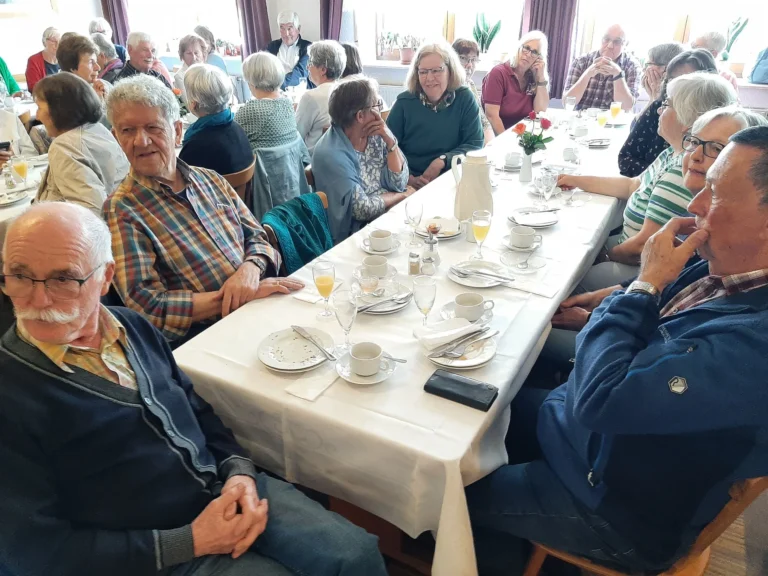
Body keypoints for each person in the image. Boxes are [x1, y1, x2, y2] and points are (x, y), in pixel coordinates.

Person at [0, 201, 390, 576]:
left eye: (63, 278)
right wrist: (190, 541)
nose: (38, 299)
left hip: (225, 490)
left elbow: (195, 409)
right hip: (154, 557)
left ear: (105, 278)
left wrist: (239, 474)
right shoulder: (12, 392)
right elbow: (35, 556)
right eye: (18, 275)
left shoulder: (129, 327)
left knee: (354, 555)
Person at [467, 125, 768, 576]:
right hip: (583, 438)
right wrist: (620, 298)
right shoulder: (728, 270)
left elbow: (601, 401)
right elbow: (658, 321)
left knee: (450, 493)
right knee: (472, 418)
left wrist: (642, 287)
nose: (695, 206)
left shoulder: (754, 348)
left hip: (614, 510)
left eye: (716, 194)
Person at [548, 106, 768, 365]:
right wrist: (612, 298)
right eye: (694, 142)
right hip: (616, 343)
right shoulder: (717, 260)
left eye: (716, 149)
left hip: (605, 371)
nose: (693, 206)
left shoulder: (742, 329)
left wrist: (640, 286)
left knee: (535, 337)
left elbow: (609, 397)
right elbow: (662, 311)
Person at [104, 75, 302, 345]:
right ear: (116, 137)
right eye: (127, 131)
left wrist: (250, 270)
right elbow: (148, 307)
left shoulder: (210, 179)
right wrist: (240, 295)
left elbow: (258, 237)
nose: (141, 141)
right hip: (211, 336)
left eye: (153, 127)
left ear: (176, 131)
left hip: (261, 305)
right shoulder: (123, 209)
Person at [559, 72, 737, 288]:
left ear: (686, 119)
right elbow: (632, 184)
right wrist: (574, 180)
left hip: (640, 268)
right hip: (626, 246)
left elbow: (644, 244)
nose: (659, 110)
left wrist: (604, 255)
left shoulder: (683, 172)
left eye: (666, 104)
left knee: (566, 276)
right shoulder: (673, 154)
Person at [313, 75, 412, 244]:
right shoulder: (331, 154)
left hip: (384, 218)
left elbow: (399, 182)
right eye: (376, 105)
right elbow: (361, 209)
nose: (379, 111)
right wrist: (401, 196)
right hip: (354, 235)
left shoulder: (374, 133)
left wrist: (391, 141)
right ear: (360, 116)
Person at [386, 41, 483, 189]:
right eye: (423, 72)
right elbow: (387, 148)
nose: (429, 78)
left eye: (437, 70)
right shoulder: (404, 103)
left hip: (453, 178)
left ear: (450, 71)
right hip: (411, 182)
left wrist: (443, 160)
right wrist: (408, 178)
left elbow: (474, 144)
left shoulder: (465, 98)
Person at [32, 73, 129, 216]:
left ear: (58, 109)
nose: (38, 116)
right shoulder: (97, 130)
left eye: (39, 108)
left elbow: (91, 212)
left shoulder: (65, 146)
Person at [619, 49, 716, 177]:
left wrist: (660, 177)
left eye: (686, 80)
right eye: (673, 79)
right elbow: (625, 158)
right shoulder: (659, 108)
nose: (677, 85)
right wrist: (656, 177)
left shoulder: (714, 125)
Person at [180, 64, 252, 176]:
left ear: (193, 104)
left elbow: (183, 181)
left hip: (213, 193)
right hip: (239, 193)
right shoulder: (237, 128)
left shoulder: (196, 145)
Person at [481, 31, 550, 135]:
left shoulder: (532, 77)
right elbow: (491, 116)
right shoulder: (498, 73)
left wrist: (540, 77)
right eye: (526, 48)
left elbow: (540, 112)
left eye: (534, 52)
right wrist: (505, 142)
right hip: (498, 136)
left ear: (539, 58)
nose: (528, 54)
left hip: (523, 136)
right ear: (518, 48)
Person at [235, 51, 303, 153]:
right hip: (290, 167)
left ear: (251, 81)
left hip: (260, 168)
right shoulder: (288, 104)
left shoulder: (249, 111)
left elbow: (233, 140)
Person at [563, 24, 640, 111]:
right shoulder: (581, 61)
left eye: (617, 42)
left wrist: (618, 75)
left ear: (625, 44)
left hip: (613, 121)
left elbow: (626, 106)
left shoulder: (632, 66)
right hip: (581, 119)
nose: (610, 45)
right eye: (606, 39)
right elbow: (566, 102)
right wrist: (587, 74)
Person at [295, 40, 346, 155]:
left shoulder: (311, 97)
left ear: (323, 69)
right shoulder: (345, 91)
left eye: (311, 62)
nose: (307, 67)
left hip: (313, 162)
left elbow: (296, 135)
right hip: (341, 158)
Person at [452, 38, 494, 144]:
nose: (469, 65)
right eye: (463, 58)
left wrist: (491, 145)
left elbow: (484, 121)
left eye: (473, 60)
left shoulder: (470, 83)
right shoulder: (449, 88)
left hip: (478, 143)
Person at [267, 11, 312, 90]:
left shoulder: (308, 47)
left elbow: (300, 73)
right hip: (273, 92)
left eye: (289, 28)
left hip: (298, 91)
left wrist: (275, 86)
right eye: (282, 28)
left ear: (298, 29)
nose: (286, 34)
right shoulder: (272, 47)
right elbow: (264, 69)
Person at [56, 34, 109, 102]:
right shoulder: (59, 99)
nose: (98, 68)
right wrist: (95, 102)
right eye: (91, 62)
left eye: (96, 61)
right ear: (72, 68)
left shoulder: (104, 87)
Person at [24, 26, 60, 92]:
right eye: (53, 41)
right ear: (44, 42)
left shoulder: (64, 58)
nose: (57, 44)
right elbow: (33, 88)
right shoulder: (34, 60)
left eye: (60, 41)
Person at [174, 33, 208, 102]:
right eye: (189, 53)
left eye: (196, 53)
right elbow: (189, 104)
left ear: (202, 53)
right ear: (182, 56)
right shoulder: (180, 76)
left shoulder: (208, 71)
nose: (194, 57)